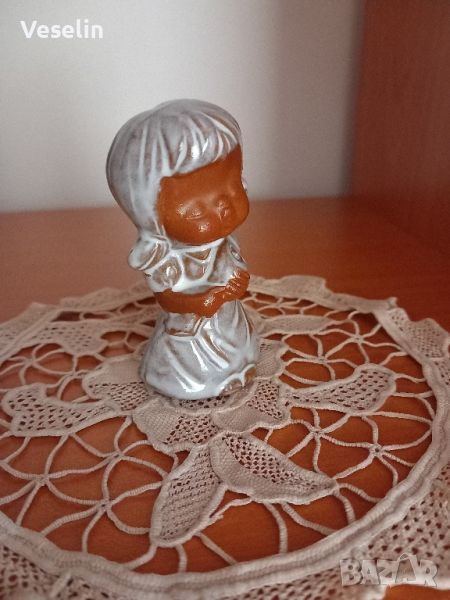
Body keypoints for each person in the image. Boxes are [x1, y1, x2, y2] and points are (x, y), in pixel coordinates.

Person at [106, 99, 259, 400]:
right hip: (190, 339)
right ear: (151, 216)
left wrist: (236, 282)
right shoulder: (167, 261)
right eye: (197, 210)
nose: (224, 207)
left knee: (237, 347)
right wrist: (203, 300)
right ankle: (191, 379)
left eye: (233, 187)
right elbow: (168, 298)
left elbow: (235, 270)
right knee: (190, 361)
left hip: (227, 322)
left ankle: (237, 368)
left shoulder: (225, 243)